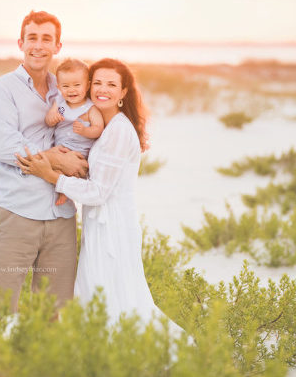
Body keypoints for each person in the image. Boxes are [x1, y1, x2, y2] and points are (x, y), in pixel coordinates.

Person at [17, 58, 178, 327]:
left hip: (112, 228)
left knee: (115, 298)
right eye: (99, 82)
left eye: (112, 84)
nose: (103, 89)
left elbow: (99, 192)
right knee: (101, 296)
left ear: (123, 93)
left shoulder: (118, 130)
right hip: (99, 224)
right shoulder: (104, 128)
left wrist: (51, 176)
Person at [0, 10, 88, 313]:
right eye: (32, 38)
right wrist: (55, 158)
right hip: (17, 214)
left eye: (46, 39)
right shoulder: (1, 90)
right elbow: (6, 147)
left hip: (62, 215)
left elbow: (88, 130)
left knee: (54, 314)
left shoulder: (68, 88)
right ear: (20, 43)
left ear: (57, 46)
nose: (38, 46)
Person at [45, 58, 105, 206]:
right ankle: (61, 190)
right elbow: (48, 119)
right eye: (65, 86)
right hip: (60, 149)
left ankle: (65, 192)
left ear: (87, 85)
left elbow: (98, 128)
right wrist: (52, 118)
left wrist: (85, 130)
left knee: (73, 172)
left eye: (77, 85)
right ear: (58, 87)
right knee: (53, 168)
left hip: (80, 151)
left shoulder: (90, 108)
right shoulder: (59, 103)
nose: (71, 90)